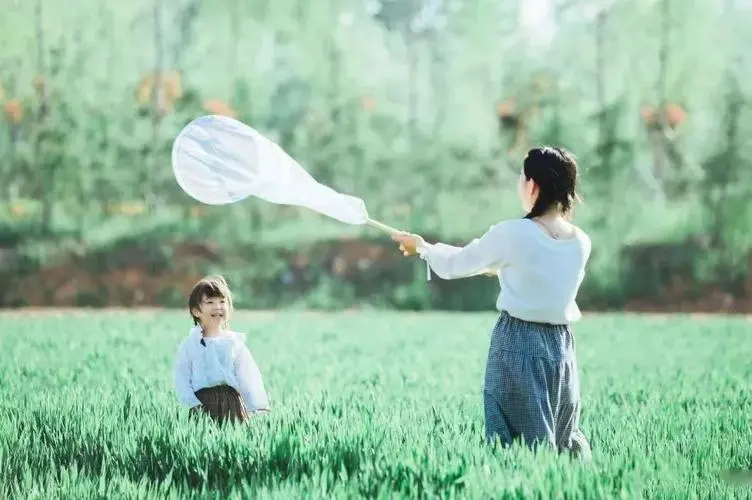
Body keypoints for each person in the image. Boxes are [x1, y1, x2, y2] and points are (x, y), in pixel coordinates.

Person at [392, 146, 592, 461]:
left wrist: (423, 248)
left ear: (532, 186)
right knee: (561, 435)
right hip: (562, 348)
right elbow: (535, 271)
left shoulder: (513, 233)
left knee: (516, 444)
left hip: (518, 342)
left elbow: (459, 263)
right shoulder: (580, 241)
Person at [173, 275, 270, 425]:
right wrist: (192, 403)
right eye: (210, 302)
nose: (218, 306)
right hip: (202, 403)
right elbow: (182, 378)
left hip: (232, 404)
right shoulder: (190, 344)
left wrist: (258, 406)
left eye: (222, 301)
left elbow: (248, 376)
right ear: (196, 311)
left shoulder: (234, 343)